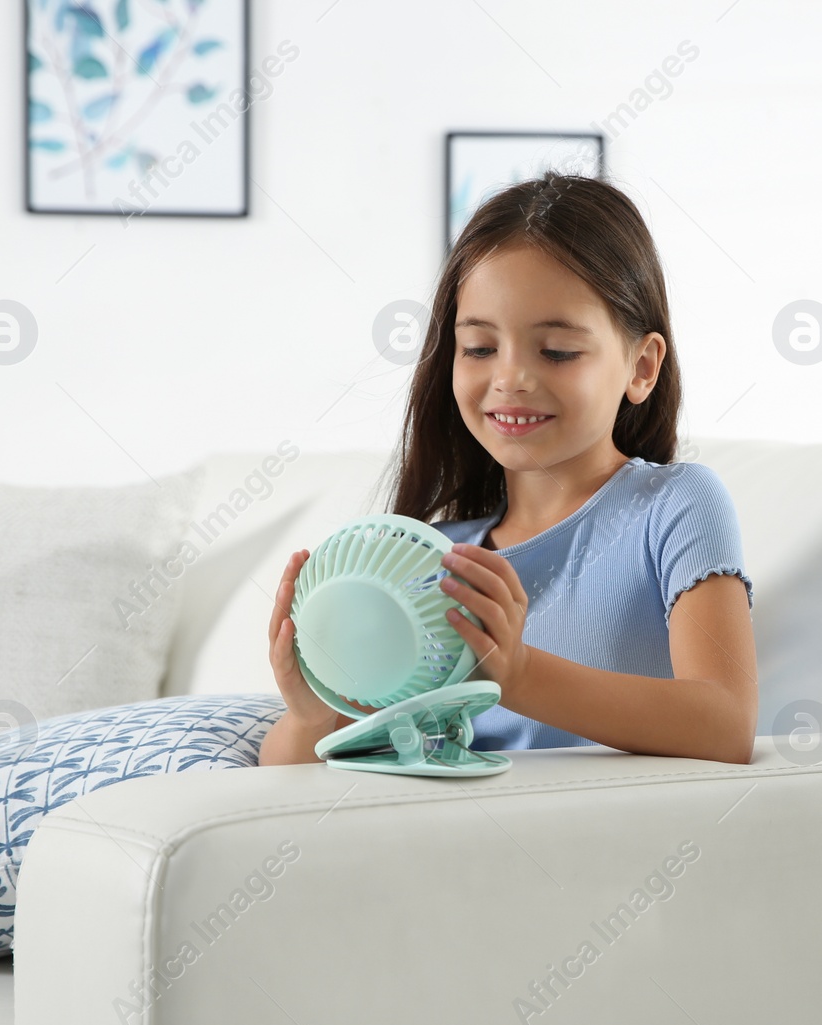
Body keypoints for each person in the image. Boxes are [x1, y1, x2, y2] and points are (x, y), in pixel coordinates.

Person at [258, 171, 757, 767]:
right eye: (479, 348)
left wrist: (519, 674)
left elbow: (726, 724)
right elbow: (294, 778)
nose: (510, 378)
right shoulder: (431, 561)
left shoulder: (675, 505)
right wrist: (314, 716)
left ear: (641, 368)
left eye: (557, 351)